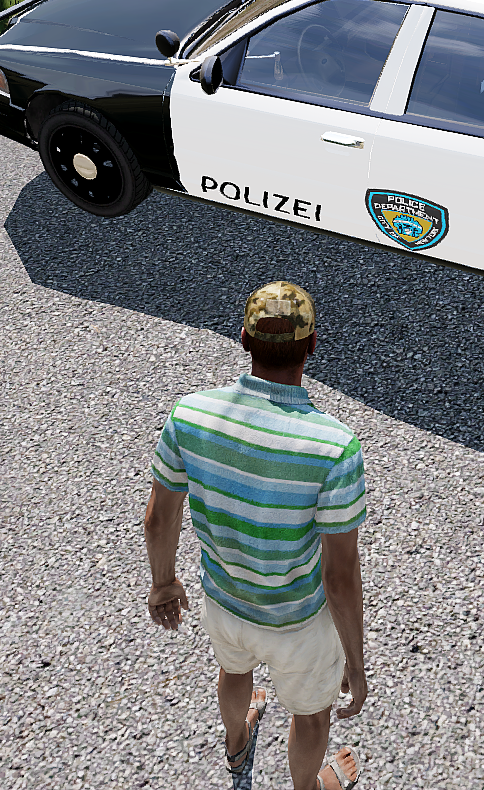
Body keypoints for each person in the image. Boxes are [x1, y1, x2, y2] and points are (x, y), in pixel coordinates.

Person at [143, 281, 367, 790]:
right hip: (297, 623)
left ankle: (237, 742)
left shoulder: (190, 415)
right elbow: (339, 576)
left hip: (224, 603)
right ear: (312, 346)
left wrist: (163, 583)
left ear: (243, 339)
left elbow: (158, 518)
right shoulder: (335, 447)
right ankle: (308, 787)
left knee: (234, 672)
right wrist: (355, 663)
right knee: (311, 715)